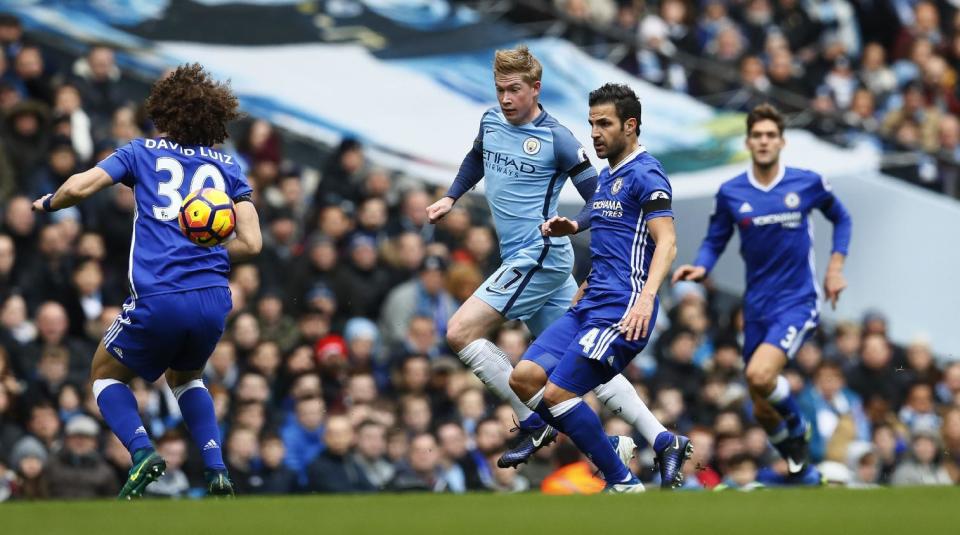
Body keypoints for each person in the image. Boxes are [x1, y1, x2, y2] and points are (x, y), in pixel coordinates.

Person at [425, 45, 668, 470]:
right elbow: (476, 157)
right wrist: (451, 196)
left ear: (535, 89)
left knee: (460, 332)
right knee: (585, 361)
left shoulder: (558, 139)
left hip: (538, 255)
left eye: (514, 90)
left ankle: (532, 421)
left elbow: (601, 198)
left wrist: (578, 230)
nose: (505, 99)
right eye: (500, 89)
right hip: (532, 265)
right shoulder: (490, 120)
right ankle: (659, 438)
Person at [31, 64, 262, 498]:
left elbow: (82, 187)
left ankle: (141, 453)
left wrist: (49, 203)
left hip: (161, 294)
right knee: (187, 377)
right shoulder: (229, 167)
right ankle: (215, 468)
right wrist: (207, 246)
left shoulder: (142, 152)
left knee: (103, 374)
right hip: (214, 298)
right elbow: (252, 243)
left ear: (164, 111)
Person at [508, 83, 690, 492]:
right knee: (523, 378)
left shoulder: (647, 173)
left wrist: (645, 300)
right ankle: (643, 446)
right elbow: (608, 218)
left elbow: (668, 241)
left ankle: (622, 481)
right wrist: (574, 225)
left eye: (604, 123)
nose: (594, 133)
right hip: (589, 303)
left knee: (556, 395)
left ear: (630, 125)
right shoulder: (611, 175)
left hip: (623, 309)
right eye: (591, 123)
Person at [673, 103, 852, 485]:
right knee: (759, 400)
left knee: (759, 373)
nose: (764, 141)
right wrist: (702, 266)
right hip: (756, 306)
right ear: (749, 141)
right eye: (758, 135)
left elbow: (842, 218)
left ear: (782, 141)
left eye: (771, 135)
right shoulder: (732, 191)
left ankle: (799, 430)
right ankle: (792, 450)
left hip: (797, 300)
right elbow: (715, 238)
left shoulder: (807, 183)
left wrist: (835, 268)